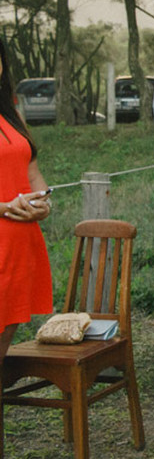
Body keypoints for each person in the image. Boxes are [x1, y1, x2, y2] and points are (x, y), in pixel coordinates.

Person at [0, 36, 53, 372]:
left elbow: (32, 171)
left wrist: (44, 203)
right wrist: (4, 207)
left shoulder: (9, 112)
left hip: (18, 246)